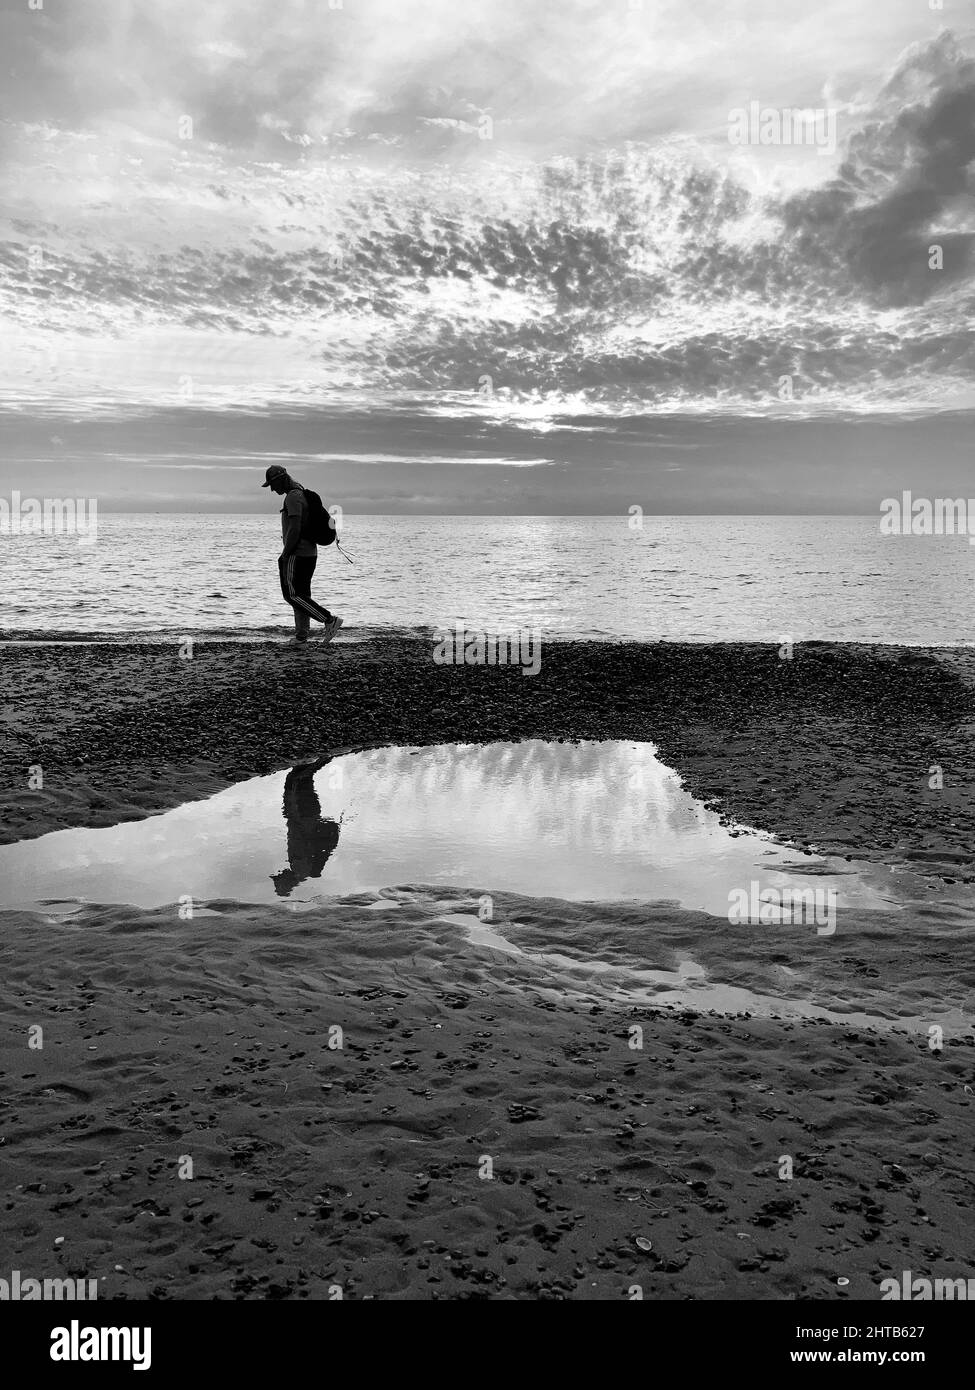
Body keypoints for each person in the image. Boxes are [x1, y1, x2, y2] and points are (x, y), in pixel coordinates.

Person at [262, 464, 342, 645]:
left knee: (292, 595)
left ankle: (329, 620)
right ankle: (301, 637)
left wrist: (286, 553)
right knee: (302, 596)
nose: (272, 490)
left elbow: (295, 528)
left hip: (297, 554)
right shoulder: (301, 493)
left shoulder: (293, 497)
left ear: (280, 480)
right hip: (310, 553)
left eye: (272, 485)